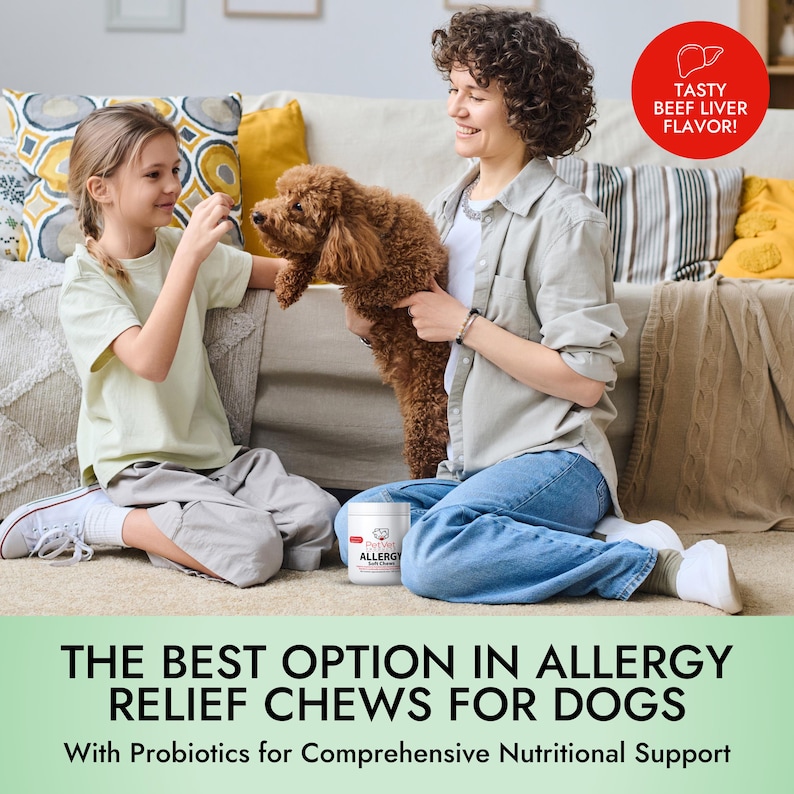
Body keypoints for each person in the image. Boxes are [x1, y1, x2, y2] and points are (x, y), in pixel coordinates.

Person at [337, 8, 742, 613]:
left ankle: (652, 564)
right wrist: (370, 327)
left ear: (525, 108)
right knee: (358, 524)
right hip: (469, 467)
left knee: (431, 556)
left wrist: (465, 326)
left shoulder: (566, 221)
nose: (455, 108)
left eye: (476, 95)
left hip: (554, 460)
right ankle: (559, 540)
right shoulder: (445, 211)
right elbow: (422, 331)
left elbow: (584, 380)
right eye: (453, 89)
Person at [0, 103, 338, 587]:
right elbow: (149, 362)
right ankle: (99, 518)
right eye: (154, 174)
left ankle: (214, 520)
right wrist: (191, 260)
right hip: (141, 468)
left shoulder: (178, 248)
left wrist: (362, 273)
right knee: (253, 552)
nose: (173, 186)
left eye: (174, 170)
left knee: (321, 521)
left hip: (215, 459)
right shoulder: (86, 278)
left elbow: (279, 275)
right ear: (102, 189)